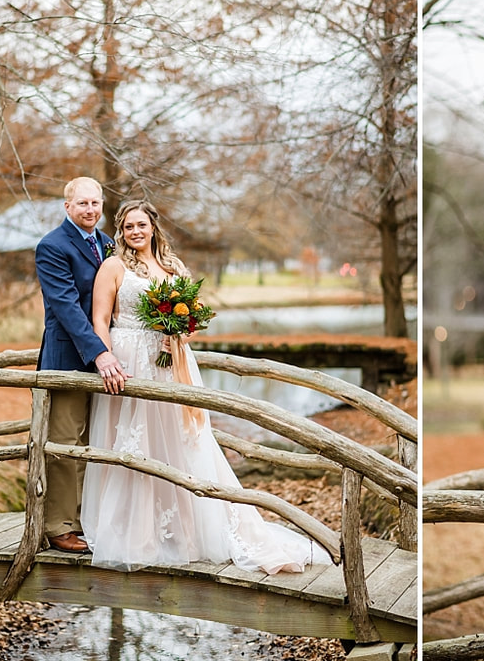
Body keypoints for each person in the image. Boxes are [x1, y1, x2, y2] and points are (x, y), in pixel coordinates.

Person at [81, 199, 328, 573]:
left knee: (178, 439)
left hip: (171, 361)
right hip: (128, 359)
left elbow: (190, 319)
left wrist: (177, 331)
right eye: (129, 226)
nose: (135, 232)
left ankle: (184, 527)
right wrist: (107, 358)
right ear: (121, 230)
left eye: (141, 225)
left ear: (153, 227)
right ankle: (137, 530)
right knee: (133, 439)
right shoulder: (113, 266)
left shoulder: (172, 266)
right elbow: (100, 318)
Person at [35, 177, 130, 554]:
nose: (90, 210)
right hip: (69, 359)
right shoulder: (52, 246)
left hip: (106, 358)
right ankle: (59, 525)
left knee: (94, 441)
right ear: (67, 207)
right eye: (82, 204)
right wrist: (100, 353)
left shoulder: (109, 243)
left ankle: (84, 521)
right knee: (64, 444)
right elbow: (68, 309)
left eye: (95, 203)